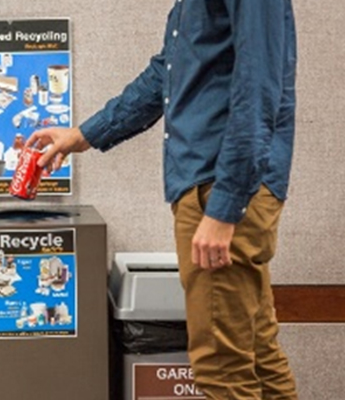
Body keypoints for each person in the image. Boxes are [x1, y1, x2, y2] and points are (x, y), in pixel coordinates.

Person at [27, 0, 299, 398]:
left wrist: (225, 207)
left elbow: (258, 88)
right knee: (258, 357)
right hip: (210, 182)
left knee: (221, 369)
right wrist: (84, 135)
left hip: (220, 185)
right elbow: (166, 72)